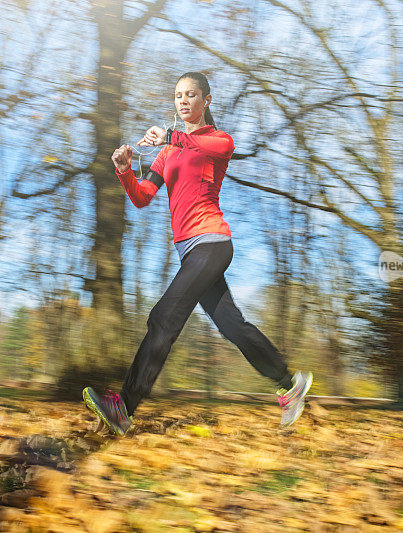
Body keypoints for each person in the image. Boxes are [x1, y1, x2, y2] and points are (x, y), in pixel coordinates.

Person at [83, 71, 312, 436]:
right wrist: (125, 170)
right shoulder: (169, 151)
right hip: (190, 252)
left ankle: (124, 407)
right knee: (232, 325)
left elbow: (208, 148)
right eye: (178, 95)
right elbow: (143, 197)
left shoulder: (217, 141)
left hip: (212, 244)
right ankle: (289, 383)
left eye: (191, 94)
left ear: (206, 100)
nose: (183, 101)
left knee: (163, 318)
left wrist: (171, 135)